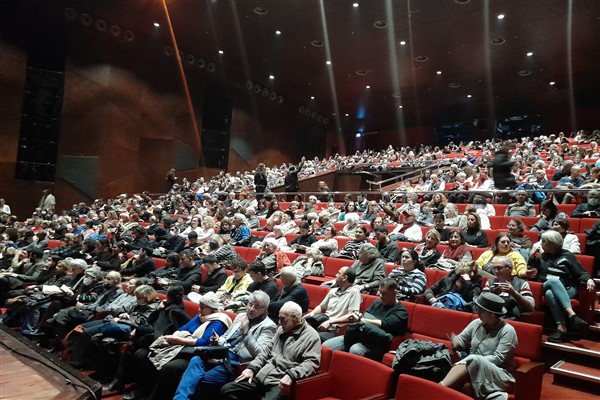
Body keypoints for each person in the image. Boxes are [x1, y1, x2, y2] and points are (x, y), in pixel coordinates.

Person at [124, 292, 232, 400]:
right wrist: (179, 338)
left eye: (203, 308)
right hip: (179, 346)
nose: (199, 310)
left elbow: (203, 342)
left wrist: (180, 339)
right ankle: (141, 390)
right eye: (200, 307)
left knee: (170, 367)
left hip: (193, 353)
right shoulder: (201, 316)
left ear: (211, 309)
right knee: (144, 354)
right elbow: (183, 328)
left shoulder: (218, 322)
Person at [173, 291, 277, 400]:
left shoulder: (269, 326)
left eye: (257, 306)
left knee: (203, 379)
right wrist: (218, 340)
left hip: (235, 363)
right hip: (221, 353)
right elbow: (226, 337)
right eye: (250, 304)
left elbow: (260, 353)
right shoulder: (241, 316)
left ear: (265, 309)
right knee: (196, 360)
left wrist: (246, 333)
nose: (251, 309)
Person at [220, 301, 321, 400]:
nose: (279, 322)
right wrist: (252, 368)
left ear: (293, 318)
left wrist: (291, 375)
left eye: (282, 319)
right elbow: (266, 352)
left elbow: (311, 363)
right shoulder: (281, 329)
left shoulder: (311, 336)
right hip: (262, 376)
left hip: (279, 382)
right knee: (227, 390)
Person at [441, 293, 517, 400]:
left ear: (493, 314)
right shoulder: (476, 323)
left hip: (500, 375)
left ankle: (439, 389)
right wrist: (457, 341)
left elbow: (498, 358)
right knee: (464, 385)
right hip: (474, 367)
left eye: (481, 310)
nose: (477, 312)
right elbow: (462, 339)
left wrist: (474, 361)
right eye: (478, 309)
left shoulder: (508, 331)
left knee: (474, 359)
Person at [527, 231, 595, 343]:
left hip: (567, 288)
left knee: (550, 294)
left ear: (552, 244)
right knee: (553, 282)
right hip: (544, 285)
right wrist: (532, 256)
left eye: (544, 241)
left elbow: (580, 272)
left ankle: (561, 328)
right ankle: (572, 315)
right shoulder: (540, 257)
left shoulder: (568, 256)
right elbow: (531, 273)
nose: (541, 244)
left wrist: (589, 279)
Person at [322, 278, 408, 361]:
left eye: (384, 293)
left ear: (395, 292)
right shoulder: (377, 303)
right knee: (326, 346)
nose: (381, 296)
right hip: (360, 335)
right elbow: (364, 317)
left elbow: (383, 323)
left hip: (377, 344)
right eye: (380, 292)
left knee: (355, 349)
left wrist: (361, 320)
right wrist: (359, 317)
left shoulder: (401, 312)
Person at [305, 267, 362, 342]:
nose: (335, 275)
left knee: (312, 339)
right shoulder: (333, 291)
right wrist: (312, 313)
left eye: (338, 273)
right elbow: (322, 307)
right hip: (322, 322)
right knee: (299, 330)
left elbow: (351, 316)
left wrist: (330, 322)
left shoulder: (354, 293)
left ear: (345, 278)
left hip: (334, 329)